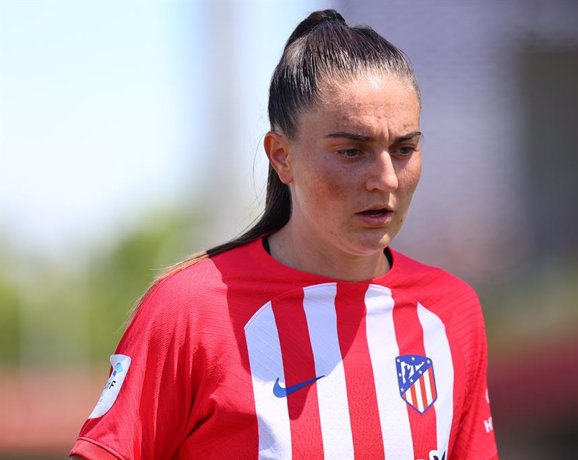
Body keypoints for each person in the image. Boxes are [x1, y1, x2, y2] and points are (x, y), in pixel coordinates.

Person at [70, 9, 498, 460]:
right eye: (352, 151)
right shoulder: (191, 310)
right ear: (281, 157)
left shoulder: (451, 311)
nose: (386, 178)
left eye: (404, 149)